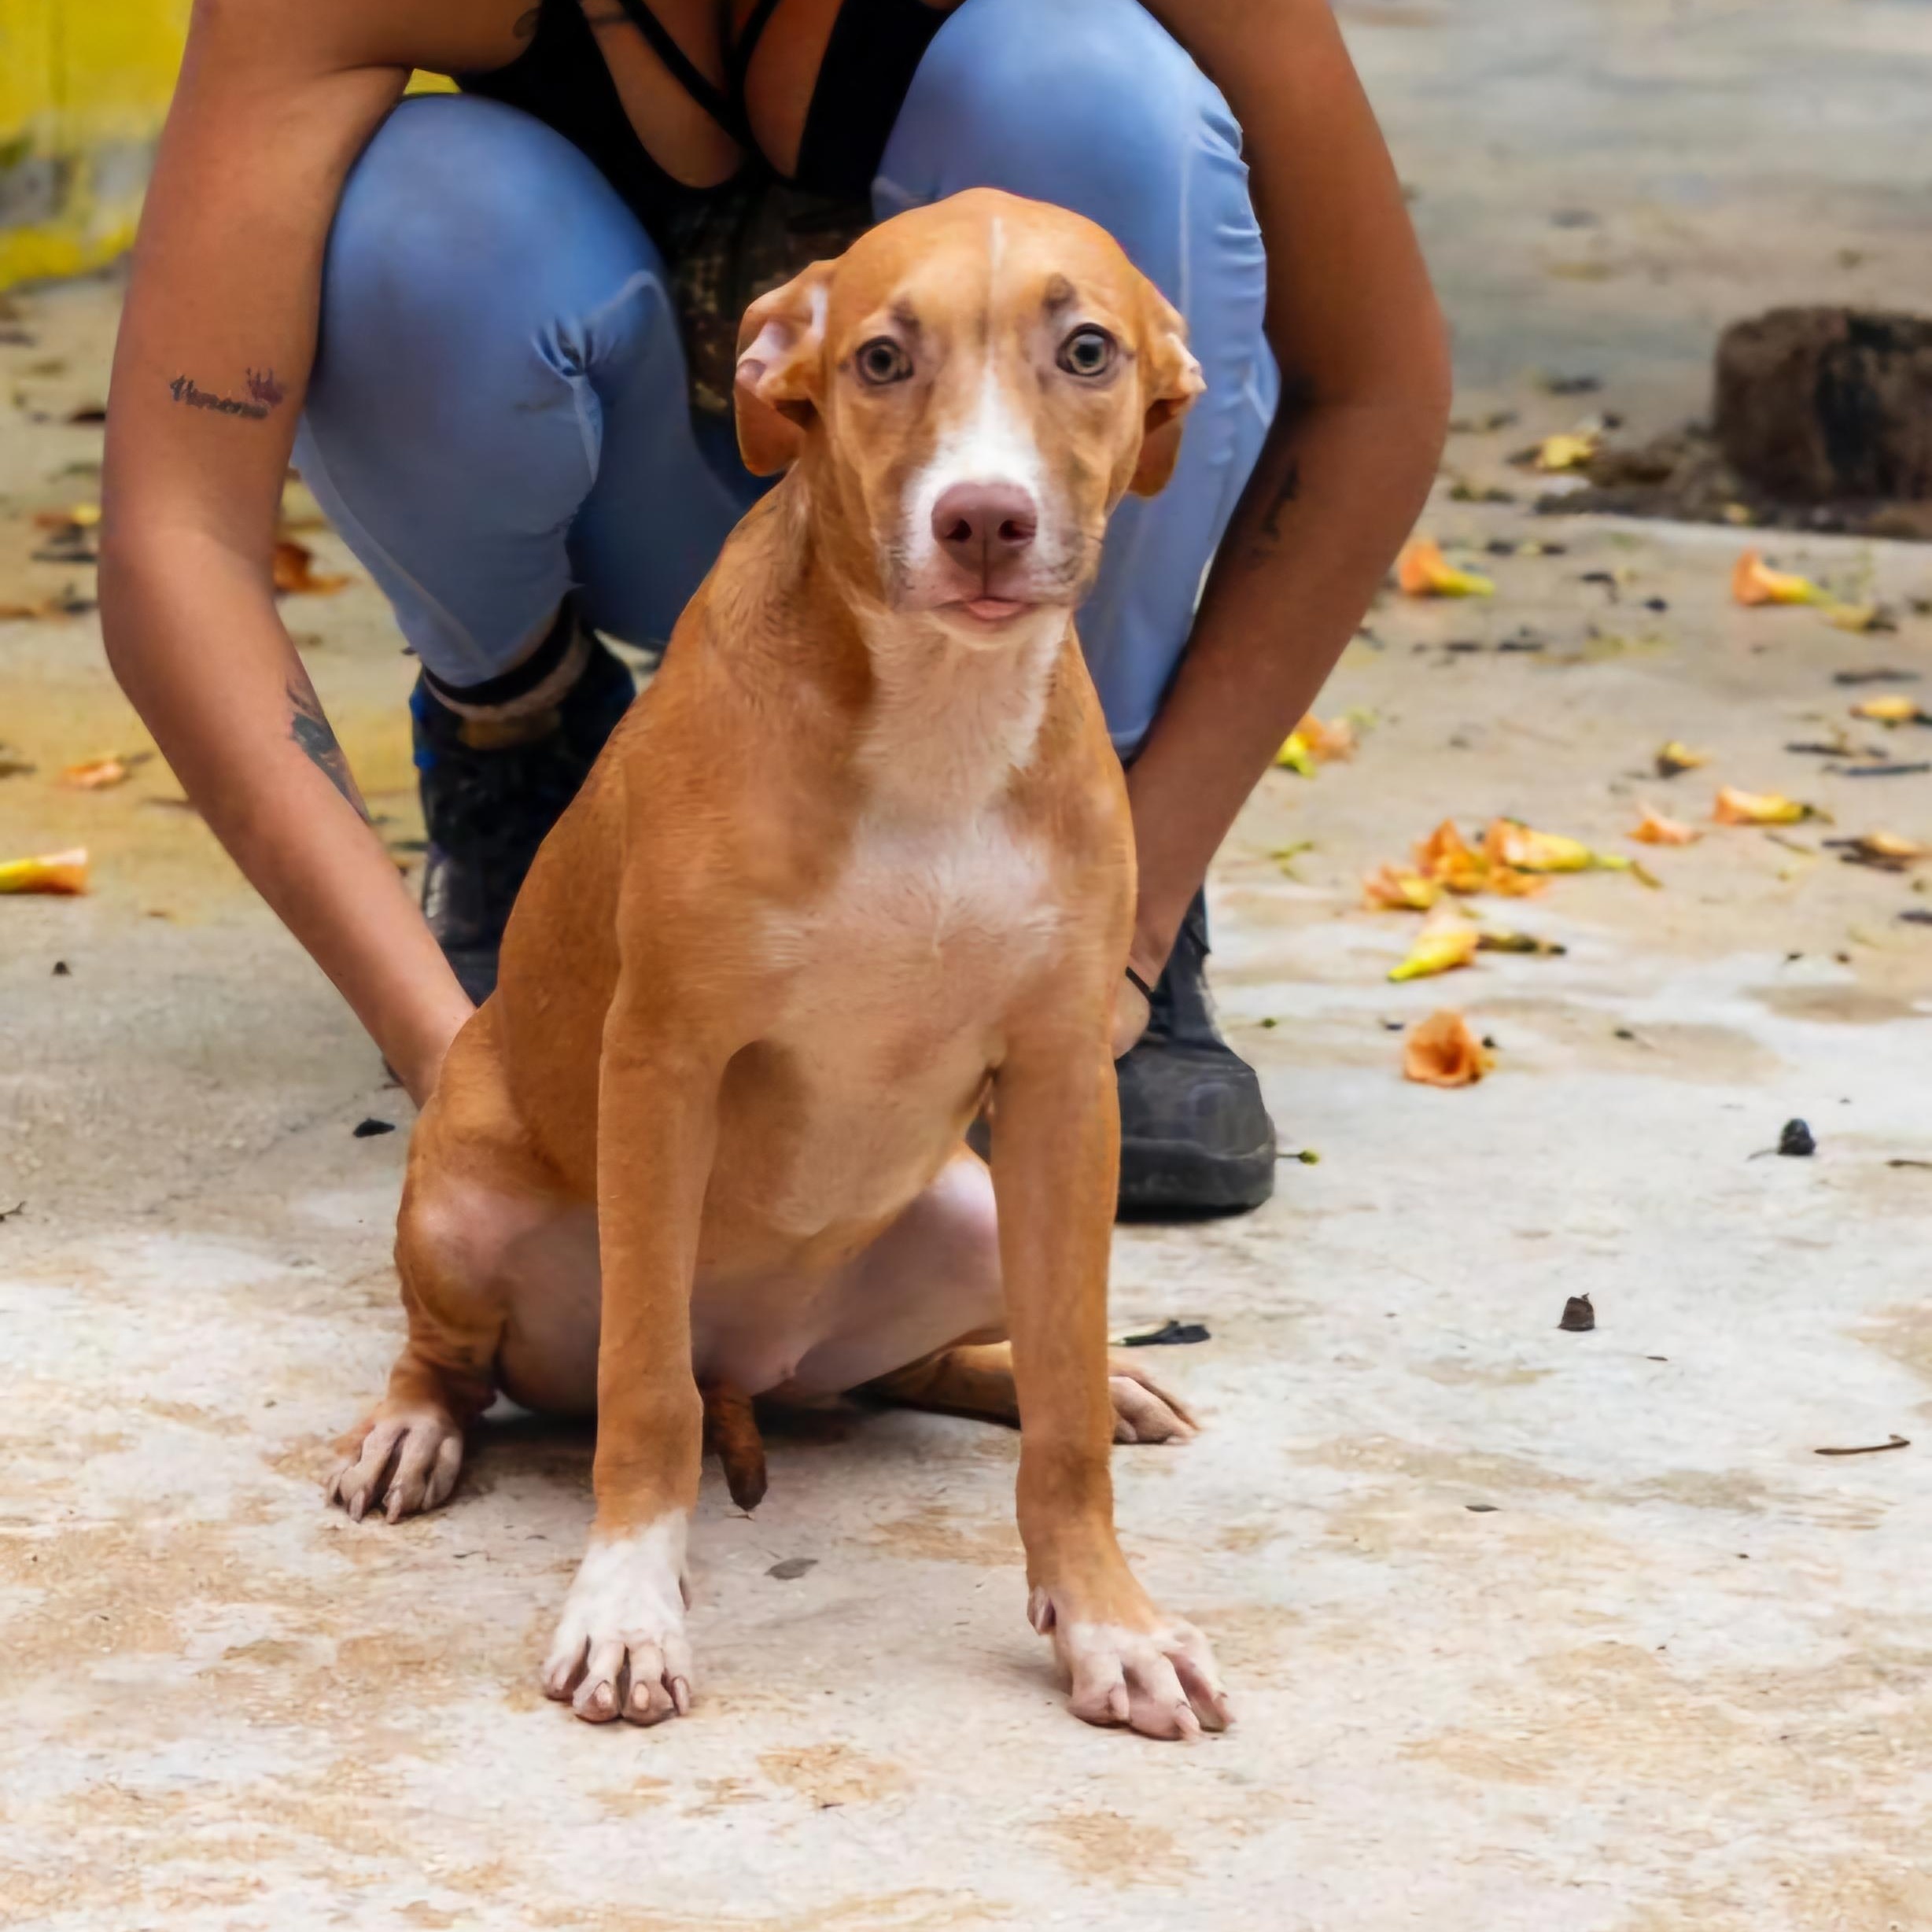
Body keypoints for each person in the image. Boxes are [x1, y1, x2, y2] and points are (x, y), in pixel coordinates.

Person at [100, 0, 1448, 1215]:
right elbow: (178, 532)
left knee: (1090, 89)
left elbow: (1376, 391)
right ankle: (524, 756)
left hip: (1027, 586)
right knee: (418, 222)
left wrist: (1130, 922)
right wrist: (459, 1069)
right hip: (658, 531)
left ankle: (1080, 860)